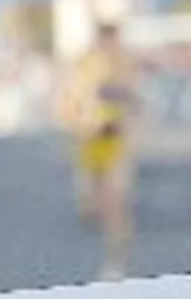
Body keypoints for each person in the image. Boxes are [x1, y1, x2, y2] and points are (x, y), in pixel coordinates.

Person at [60, 23, 141, 281]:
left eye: (113, 41)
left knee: (115, 203)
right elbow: (68, 104)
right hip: (89, 140)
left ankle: (115, 262)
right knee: (91, 205)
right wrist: (79, 123)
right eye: (105, 41)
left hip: (115, 142)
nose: (110, 47)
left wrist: (128, 124)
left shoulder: (125, 67)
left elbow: (136, 104)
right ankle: (95, 213)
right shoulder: (84, 67)